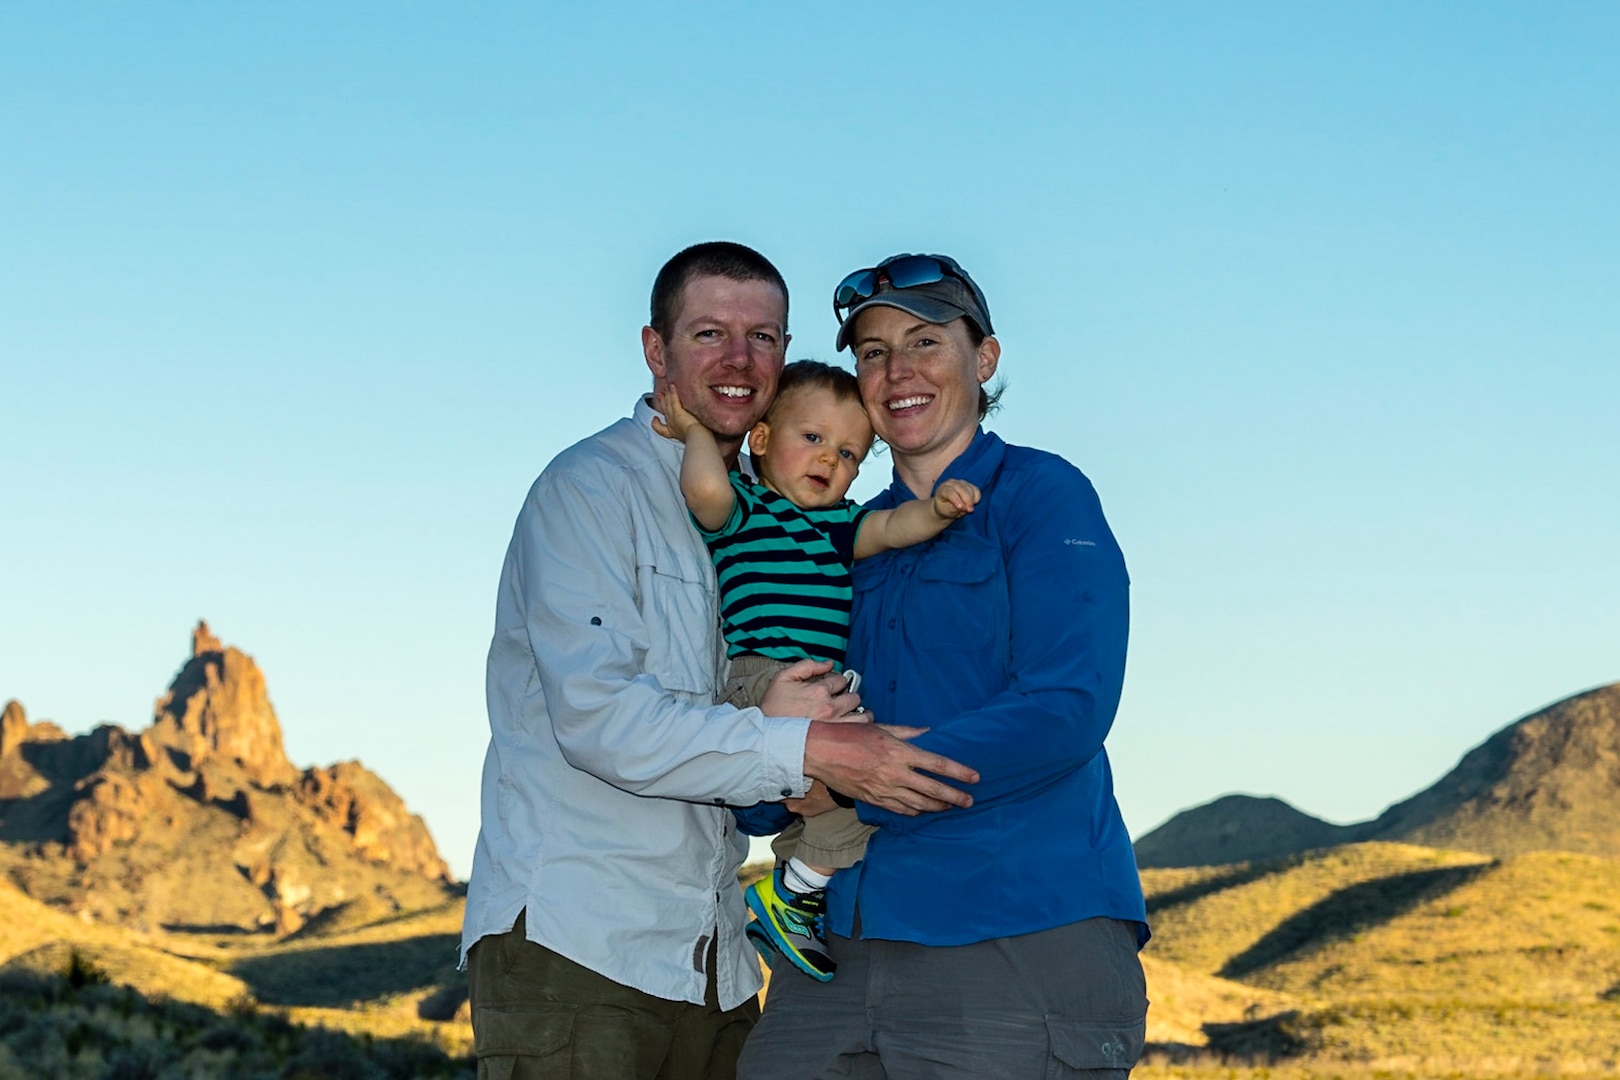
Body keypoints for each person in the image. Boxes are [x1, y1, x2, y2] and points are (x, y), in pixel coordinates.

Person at [459, 242, 980, 1080]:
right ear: (655, 350)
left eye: (764, 338)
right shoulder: (591, 490)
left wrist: (800, 770)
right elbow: (599, 719)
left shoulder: (774, 513)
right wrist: (810, 748)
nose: (740, 360)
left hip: (720, 966)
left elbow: (737, 747)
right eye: (709, 333)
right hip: (582, 952)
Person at [738, 254, 1150, 1080]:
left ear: (984, 359)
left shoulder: (1042, 494)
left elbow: (1067, 705)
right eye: (874, 352)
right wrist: (774, 757)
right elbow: (769, 759)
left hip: (1016, 933)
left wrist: (856, 772)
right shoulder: (835, 537)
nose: (898, 371)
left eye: (925, 341)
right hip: (833, 948)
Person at [652, 360, 981, 982]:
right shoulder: (747, 507)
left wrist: (937, 510)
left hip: (825, 695)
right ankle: (792, 883)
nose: (832, 460)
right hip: (757, 679)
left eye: (851, 453)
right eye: (813, 439)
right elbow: (704, 492)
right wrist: (696, 432)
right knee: (852, 781)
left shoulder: (838, 524)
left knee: (862, 796)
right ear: (762, 439)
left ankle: (792, 892)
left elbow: (890, 527)